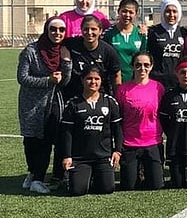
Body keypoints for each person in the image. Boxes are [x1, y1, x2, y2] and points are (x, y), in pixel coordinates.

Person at [18, 18, 72, 194]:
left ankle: (39, 179)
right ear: (47, 30)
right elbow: (22, 77)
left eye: (61, 30)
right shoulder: (31, 51)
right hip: (32, 103)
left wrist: (67, 63)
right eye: (53, 29)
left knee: (47, 139)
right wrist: (47, 80)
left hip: (53, 102)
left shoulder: (63, 50)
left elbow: (65, 82)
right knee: (31, 140)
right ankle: (33, 172)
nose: (57, 33)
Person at [59, 67, 123, 196]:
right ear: (82, 80)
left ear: (101, 81)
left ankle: (95, 177)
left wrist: (117, 151)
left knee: (107, 189)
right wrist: (67, 156)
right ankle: (75, 178)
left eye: (96, 79)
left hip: (103, 156)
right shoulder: (73, 104)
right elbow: (67, 133)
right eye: (89, 78)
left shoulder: (110, 102)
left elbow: (117, 129)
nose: (93, 82)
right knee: (77, 191)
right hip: (80, 157)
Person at [116, 52, 165, 191]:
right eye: (138, 65)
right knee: (129, 186)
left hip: (153, 142)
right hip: (130, 143)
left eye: (146, 65)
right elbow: (119, 118)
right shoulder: (123, 89)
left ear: (151, 67)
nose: (142, 68)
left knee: (156, 185)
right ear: (132, 66)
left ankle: (146, 171)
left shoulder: (158, 88)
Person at [63, 14, 121, 100]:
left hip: (99, 97)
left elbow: (116, 74)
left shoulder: (108, 51)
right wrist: (64, 55)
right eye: (86, 29)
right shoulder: (71, 44)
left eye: (93, 29)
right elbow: (56, 44)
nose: (89, 33)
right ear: (81, 30)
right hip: (74, 95)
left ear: (100, 31)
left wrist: (117, 97)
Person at [147, 0, 187, 91]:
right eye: (168, 11)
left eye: (174, 11)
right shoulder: (153, 32)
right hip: (157, 81)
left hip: (178, 81)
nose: (171, 15)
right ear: (162, 13)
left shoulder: (184, 32)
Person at [102, 0, 147, 82]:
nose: (127, 15)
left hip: (135, 81)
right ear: (118, 11)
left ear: (136, 14)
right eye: (124, 11)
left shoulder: (141, 34)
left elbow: (144, 58)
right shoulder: (108, 34)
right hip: (114, 81)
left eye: (131, 12)